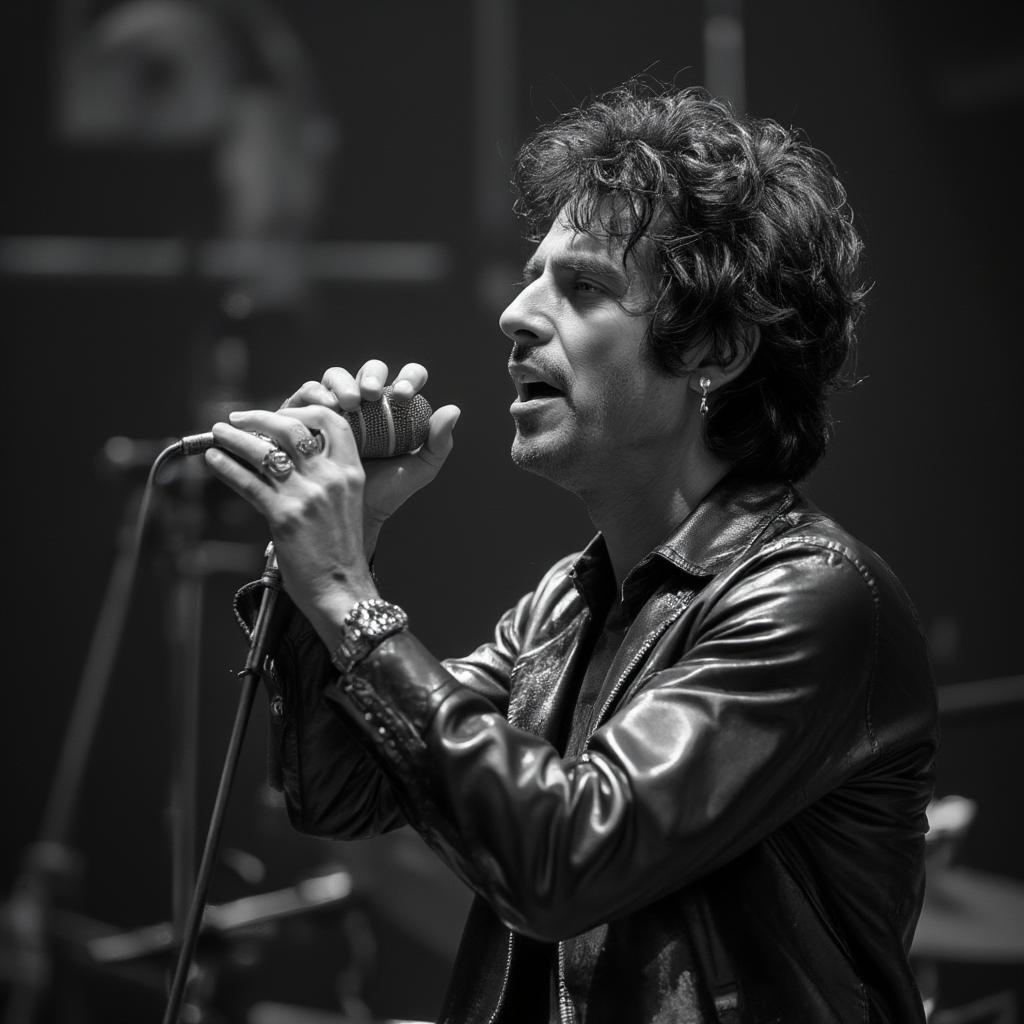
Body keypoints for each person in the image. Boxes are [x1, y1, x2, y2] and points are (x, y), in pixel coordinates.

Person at [204, 83, 938, 1023]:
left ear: (717, 343)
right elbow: (346, 792)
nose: (516, 312)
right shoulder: (566, 604)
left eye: (582, 286)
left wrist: (344, 587)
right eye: (532, 274)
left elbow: (565, 862)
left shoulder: (815, 598)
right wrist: (328, 568)